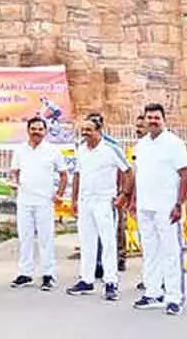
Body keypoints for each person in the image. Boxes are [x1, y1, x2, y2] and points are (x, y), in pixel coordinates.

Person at [129, 102, 187, 316]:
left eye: (157, 118)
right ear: (145, 120)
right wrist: (134, 200)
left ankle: (174, 297)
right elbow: (139, 175)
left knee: (171, 251)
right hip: (146, 206)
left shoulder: (174, 143)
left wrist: (179, 204)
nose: (153, 121)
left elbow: (184, 175)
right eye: (149, 118)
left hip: (166, 206)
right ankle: (153, 292)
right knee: (150, 250)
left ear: (164, 119)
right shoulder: (141, 145)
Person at [67, 115, 131, 301]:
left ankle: (111, 281)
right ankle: (86, 279)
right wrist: (74, 199)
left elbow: (127, 171)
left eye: (89, 129)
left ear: (99, 130)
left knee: (108, 242)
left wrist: (123, 195)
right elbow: (78, 175)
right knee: (87, 241)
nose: (85, 133)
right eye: (83, 130)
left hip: (105, 201)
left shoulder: (110, 149)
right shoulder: (81, 149)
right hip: (86, 201)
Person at [9, 116, 68, 291]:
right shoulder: (20, 150)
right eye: (33, 129)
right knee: (25, 237)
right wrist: (14, 182)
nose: (36, 132)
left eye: (40, 129)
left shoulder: (52, 151)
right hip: (24, 201)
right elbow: (15, 171)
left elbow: (64, 174)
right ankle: (25, 273)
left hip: (44, 201)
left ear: (45, 131)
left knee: (45, 238)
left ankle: (48, 274)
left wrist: (59, 194)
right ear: (28, 130)